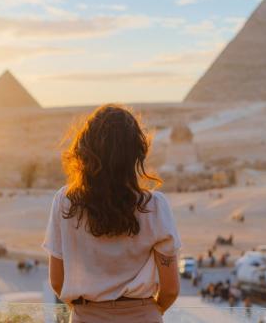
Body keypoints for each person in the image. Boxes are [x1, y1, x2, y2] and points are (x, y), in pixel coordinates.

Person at [43, 104, 181, 323]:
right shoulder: (155, 206)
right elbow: (170, 289)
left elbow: (57, 281)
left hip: (87, 317)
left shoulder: (65, 202)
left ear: (85, 149)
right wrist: (148, 312)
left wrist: (89, 310)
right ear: (137, 152)